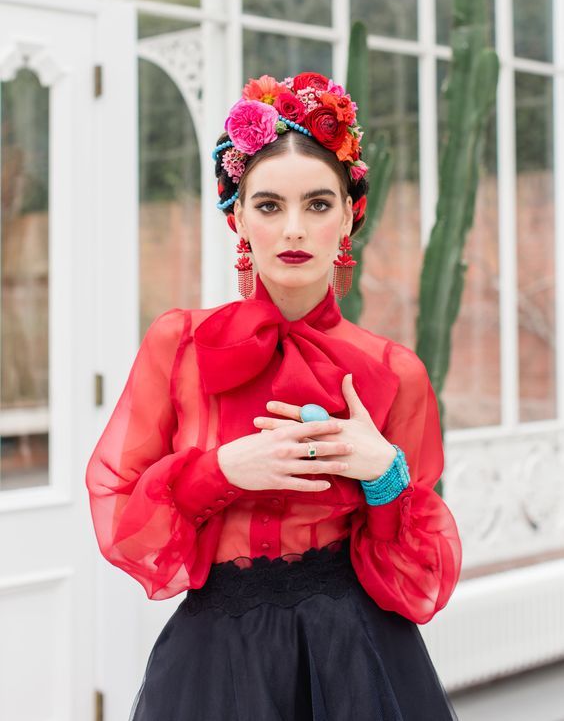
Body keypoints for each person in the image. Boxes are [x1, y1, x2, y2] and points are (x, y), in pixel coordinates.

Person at [85, 71, 463, 720]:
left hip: (358, 662)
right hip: (215, 667)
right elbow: (122, 521)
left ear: (348, 215)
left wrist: (384, 477)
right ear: (237, 216)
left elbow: (422, 578)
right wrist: (221, 471)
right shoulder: (178, 346)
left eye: (318, 205)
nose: (293, 229)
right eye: (268, 205)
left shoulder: (395, 371)